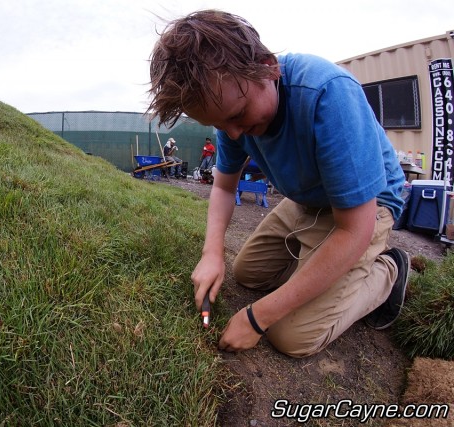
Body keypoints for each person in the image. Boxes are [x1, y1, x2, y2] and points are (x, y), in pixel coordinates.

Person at [147, 10, 409, 358]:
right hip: (307, 201)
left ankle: (388, 270)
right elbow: (224, 187)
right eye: (222, 126)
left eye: (238, 116)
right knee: (246, 274)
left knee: (292, 336)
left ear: (268, 68)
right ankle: (317, 266)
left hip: (365, 207)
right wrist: (212, 254)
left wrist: (258, 318)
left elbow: (353, 230)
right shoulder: (228, 109)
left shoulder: (328, 94)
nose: (235, 133)